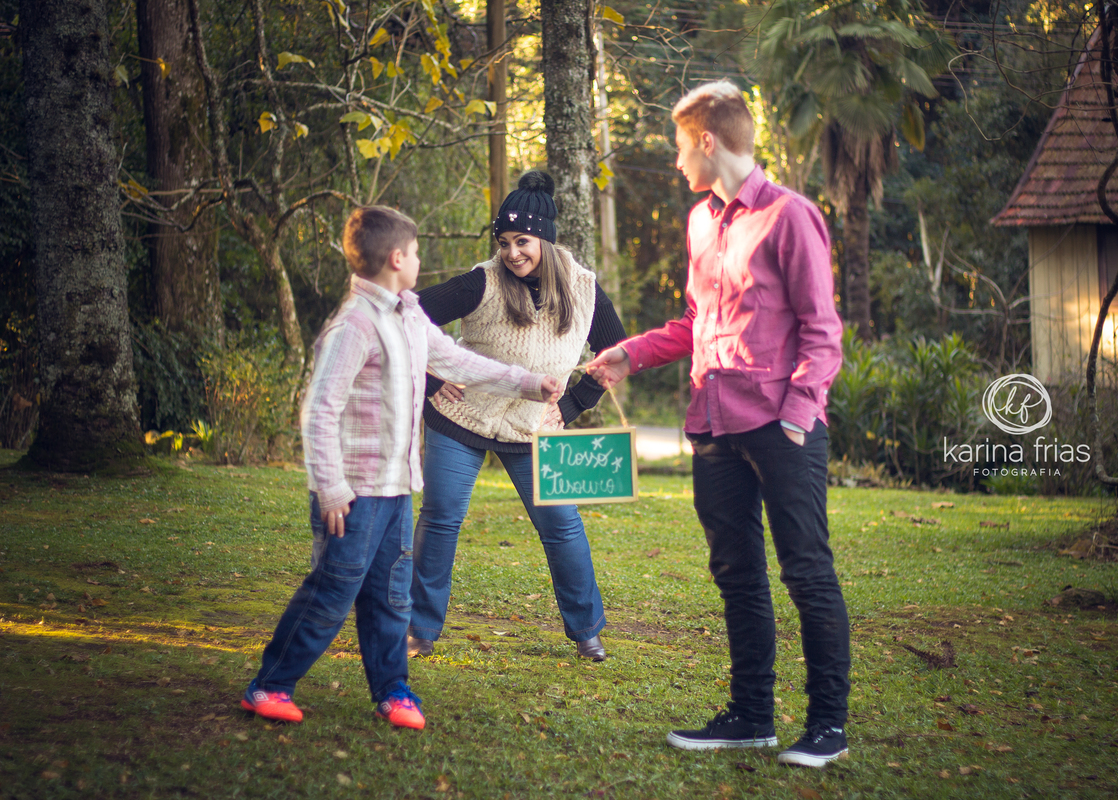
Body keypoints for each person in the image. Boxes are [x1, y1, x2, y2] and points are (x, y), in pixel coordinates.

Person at [586, 81, 851, 767]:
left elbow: (823, 333)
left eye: (680, 147)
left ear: (708, 141)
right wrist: (627, 353)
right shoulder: (701, 222)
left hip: (781, 428)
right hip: (713, 425)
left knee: (807, 572)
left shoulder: (791, 217)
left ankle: (827, 727)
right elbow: (695, 323)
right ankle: (750, 716)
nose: (677, 162)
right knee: (736, 571)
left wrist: (796, 419)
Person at [240, 206, 558, 730]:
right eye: (413, 252)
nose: (418, 260)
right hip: (352, 497)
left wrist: (529, 381)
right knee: (332, 592)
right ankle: (270, 685)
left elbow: (458, 361)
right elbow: (318, 409)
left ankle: (392, 690)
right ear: (395, 258)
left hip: (396, 491)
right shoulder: (353, 326)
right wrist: (331, 488)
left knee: (391, 595)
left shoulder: (410, 314)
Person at [406, 171, 625, 662]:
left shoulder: (585, 290)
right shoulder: (481, 282)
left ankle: (586, 629)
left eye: (522, 241)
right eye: (503, 242)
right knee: (441, 520)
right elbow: (407, 315)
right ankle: (418, 630)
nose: (511, 252)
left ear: (545, 239)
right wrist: (430, 381)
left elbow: (617, 353)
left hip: (533, 430)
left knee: (562, 527)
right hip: (460, 419)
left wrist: (570, 406)